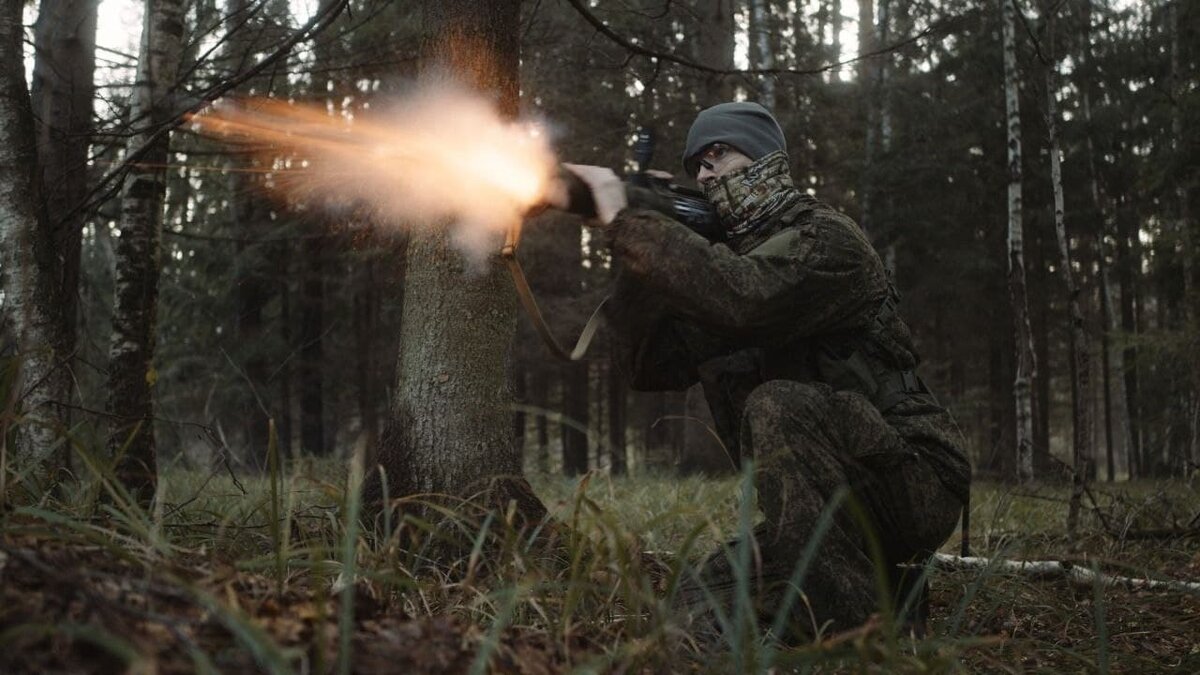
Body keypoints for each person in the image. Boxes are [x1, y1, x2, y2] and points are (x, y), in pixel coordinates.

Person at [559, 101, 972, 641]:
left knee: (777, 403)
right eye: (695, 168)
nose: (705, 176)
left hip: (913, 478)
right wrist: (639, 254)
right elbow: (650, 367)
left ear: (765, 159)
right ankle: (888, 598)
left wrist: (633, 224)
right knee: (692, 606)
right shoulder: (717, 265)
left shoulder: (828, 241)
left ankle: (862, 639)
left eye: (717, 156)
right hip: (815, 513)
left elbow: (748, 297)